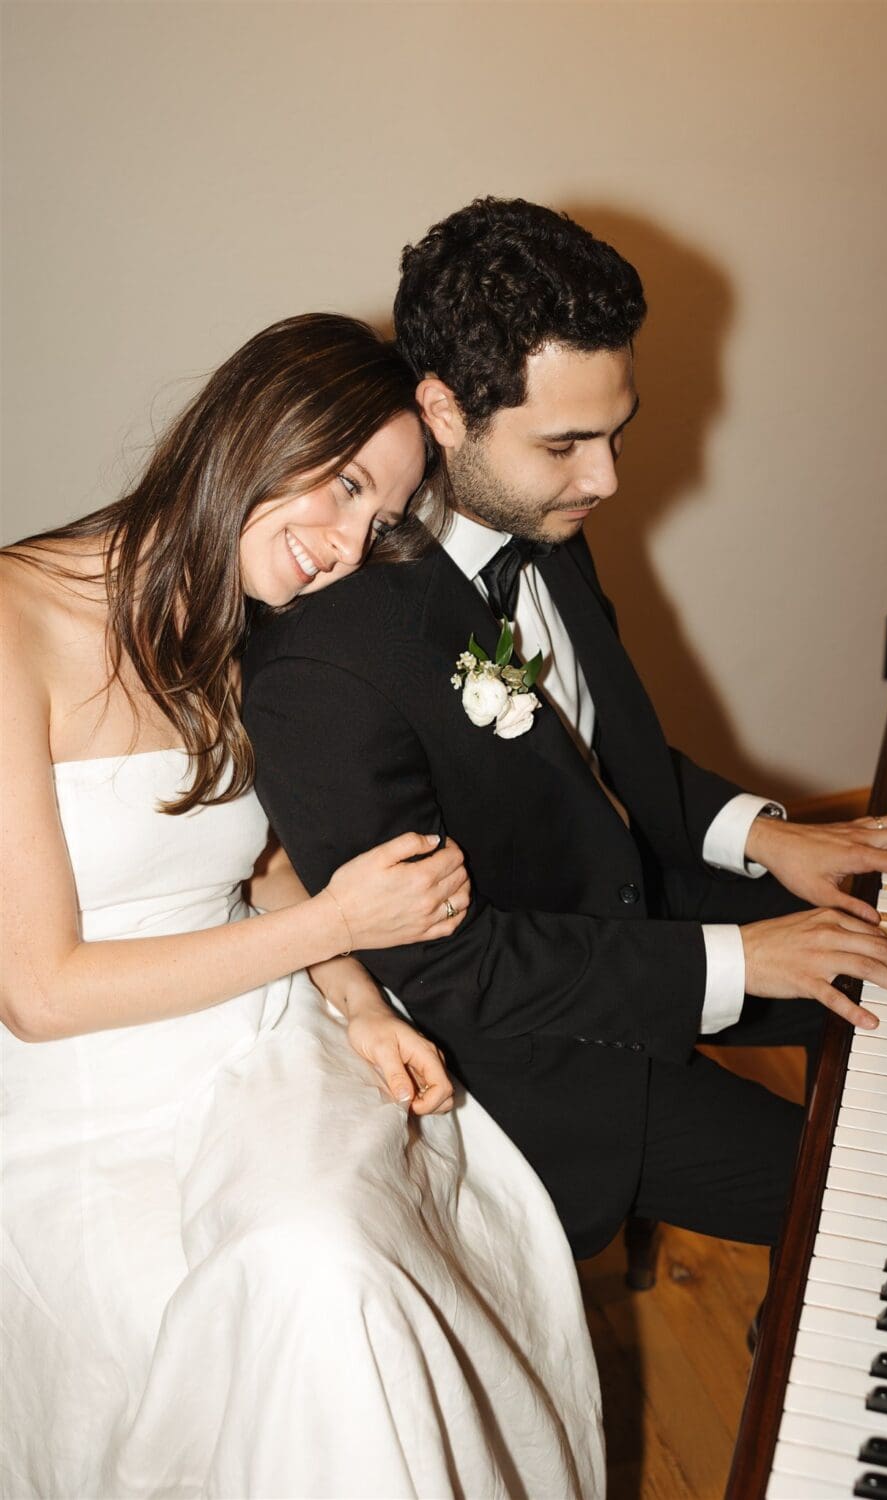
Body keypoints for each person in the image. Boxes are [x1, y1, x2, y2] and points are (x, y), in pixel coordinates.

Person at [242, 201, 887, 1267]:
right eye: (567, 443)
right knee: (875, 1207)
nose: (606, 477)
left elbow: (598, 762)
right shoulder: (326, 662)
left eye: (616, 431)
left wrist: (766, 837)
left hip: (641, 902)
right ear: (442, 411)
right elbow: (449, 968)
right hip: (536, 1043)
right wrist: (741, 958)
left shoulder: (539, 513)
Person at [0, 313, 603, 1500]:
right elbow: (39, 993)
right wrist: (337, 929)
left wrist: (359, 1004)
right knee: (290, 1294)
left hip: (255, 1035)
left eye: (377, 519)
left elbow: (245, 853)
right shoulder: (13, 625)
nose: (343, 544)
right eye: (341, 485)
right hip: (80, 1093)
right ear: (254, 427)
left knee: (335, 1265)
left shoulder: (229, 611)